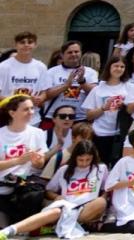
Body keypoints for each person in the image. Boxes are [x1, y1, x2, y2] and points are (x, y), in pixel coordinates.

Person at [0, 95, 47, 224]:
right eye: (26, 109)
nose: (31, 112)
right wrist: (17, 161)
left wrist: (37, 161)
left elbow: (40, 164)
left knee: (33, 196)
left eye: (32, 108)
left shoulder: (37, 133)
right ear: (12, 113)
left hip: (25, 184)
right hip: (2, 184)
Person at [82, 56, 134, 165]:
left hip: (120, 135)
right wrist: (103, 108)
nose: (119, 69)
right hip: (100, 134)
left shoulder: (129, 88)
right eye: (116, 66)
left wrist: (124, 106)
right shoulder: (98, 89)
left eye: (122, 66)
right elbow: (89, 115)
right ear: (109, 67)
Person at [40, 41, 98, 124]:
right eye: (70, 52)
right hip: (54, 118)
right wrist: (66, 85)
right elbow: (47, 95)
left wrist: (82, 81)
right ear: (62, 55)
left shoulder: (90, 72)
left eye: (76, 52)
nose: (73, 54)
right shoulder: (51, 72)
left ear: (81, 53)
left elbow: (95, 93)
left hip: (80, 118)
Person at [0, 32, 47, 127]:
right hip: (9, 117)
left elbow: (44, 92)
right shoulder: (3, 67)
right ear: (15, 45)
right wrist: (22, 102)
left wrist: (40, 99)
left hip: (33, 118)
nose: (26, 45)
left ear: (35, 45)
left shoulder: (41, 67)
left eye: (30, 42)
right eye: (22, 42)